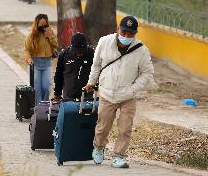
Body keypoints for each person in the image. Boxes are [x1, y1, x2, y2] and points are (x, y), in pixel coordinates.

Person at [84, 16, 154, 168]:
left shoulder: (141, 50)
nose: (126, 36)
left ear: (135, 33)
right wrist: (91, 82)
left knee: (125, 128)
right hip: (107, 93)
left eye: (130, 34)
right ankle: (99, 147)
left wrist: (133, 89)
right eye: (123, 32)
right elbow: (96, 65)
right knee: (103, 126)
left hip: (128, 96)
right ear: (117, 29)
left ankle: (119, 156)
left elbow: (147, 73)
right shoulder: (104, 42)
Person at [24, 13, 58, 104]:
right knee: (37, 87)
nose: (43, 26)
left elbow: (56, 45)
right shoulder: (32, 35)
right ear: (37, 24)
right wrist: (29, 59)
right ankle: (37, 108)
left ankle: (45, 106)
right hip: (35, 64)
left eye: (45, 24)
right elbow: (27, 49)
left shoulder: (50, 32)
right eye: (41, 25)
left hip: (47, 63)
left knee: (46, 87)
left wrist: (49, 36)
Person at [53, 32, 94, 100]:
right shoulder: (64, 55)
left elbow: (98, 72)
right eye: (77, 51)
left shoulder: (91, 54)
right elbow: (58, 76)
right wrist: (57, 93)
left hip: (87, 95)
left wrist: (95, 86)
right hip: (69, 95)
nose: (80, 53)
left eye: (82, 51)